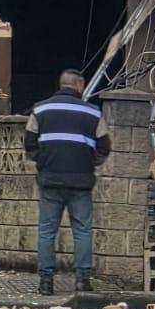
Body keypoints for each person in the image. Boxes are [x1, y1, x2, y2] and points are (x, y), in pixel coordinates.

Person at [24, 69, 111, 296]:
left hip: (50, 180)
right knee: (82, 230)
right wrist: (89, 162)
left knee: (47, 230)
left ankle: (45, 281)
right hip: (81, 182)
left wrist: (43, 160)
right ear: (80, 85)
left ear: (61, 84)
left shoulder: (40, 109)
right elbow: (104, 146)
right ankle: (82, 280)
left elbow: (29, 143)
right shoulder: (93, 112)